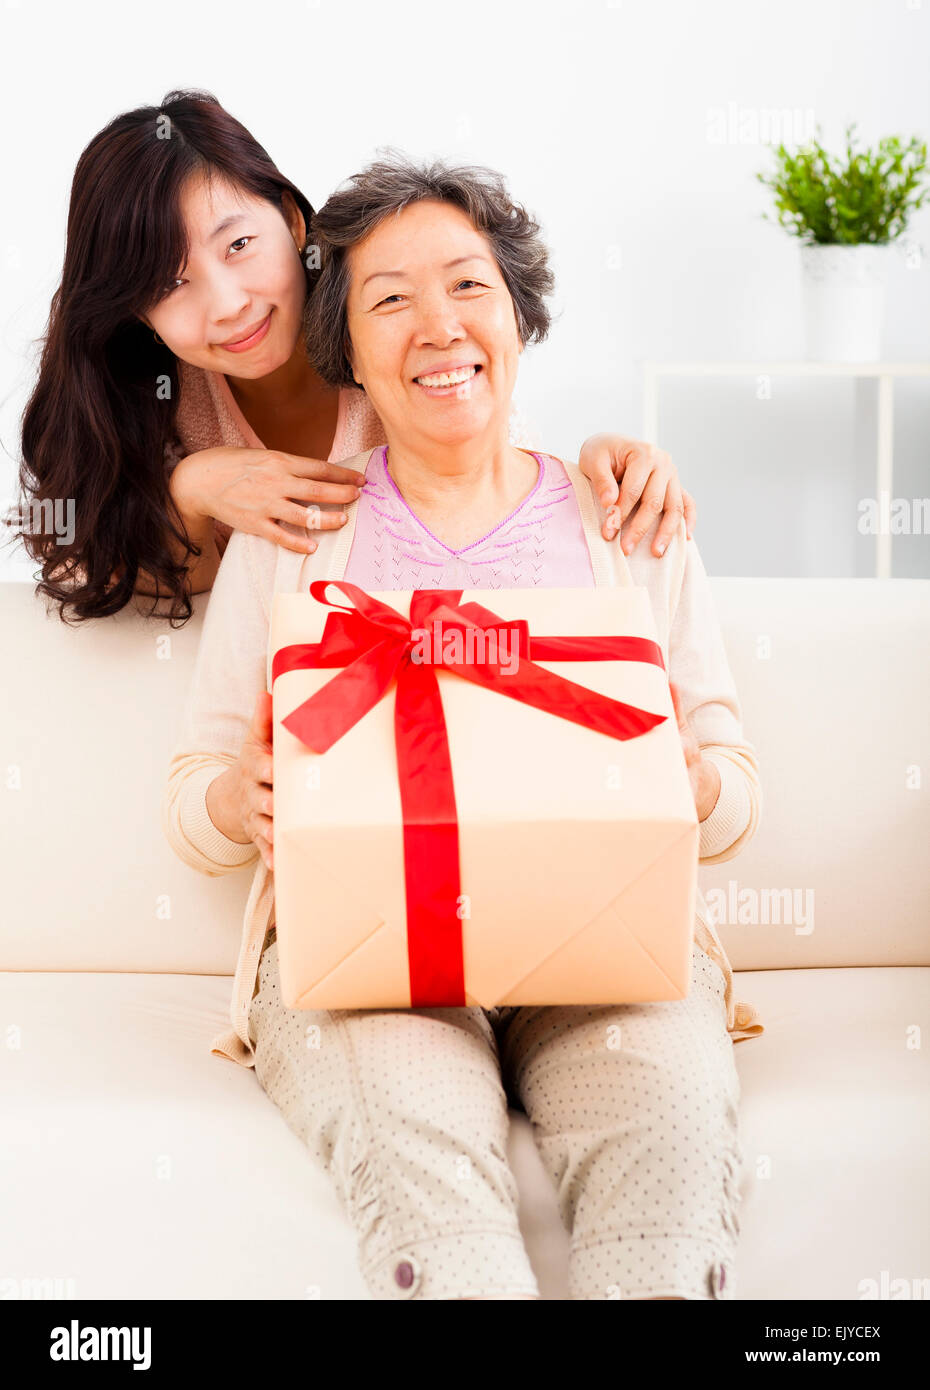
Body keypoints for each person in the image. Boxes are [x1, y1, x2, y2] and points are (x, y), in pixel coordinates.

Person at [162, 153, 764, 1301]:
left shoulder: (625, 517)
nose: (438, 325)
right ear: (347, 345)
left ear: (519, 315)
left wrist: (691, 785)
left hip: (608, 955)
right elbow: (192, 798)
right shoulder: (296, 535)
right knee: (424, 1178)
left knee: (671, 1149)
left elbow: (735, 784)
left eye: (468, 285)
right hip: (372, 964)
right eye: (391, 299)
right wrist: (237, 801)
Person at [16, 89, 693, 626]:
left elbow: (506, 530)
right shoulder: (149, 393)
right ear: (135, 309)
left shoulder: (397, 347)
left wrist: (598, 468)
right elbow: (89, 576)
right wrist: (193, 489)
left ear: (290, 218)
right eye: (169, 282)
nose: (226, 304)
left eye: (239, 246)